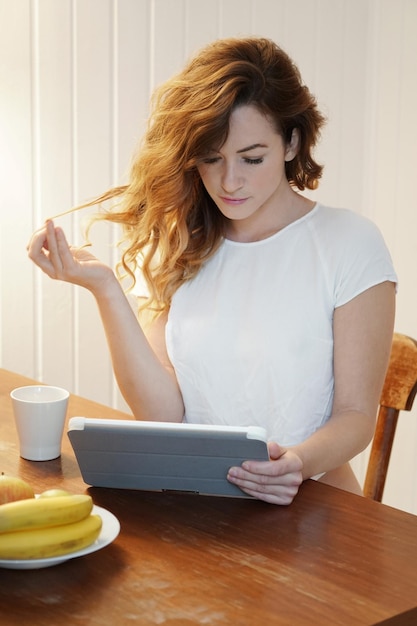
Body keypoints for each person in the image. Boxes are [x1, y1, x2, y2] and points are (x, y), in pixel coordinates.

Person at [27, 36, 397, 505]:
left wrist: (295, 463)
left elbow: (354, 415)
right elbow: (162, 414)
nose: (230, 181)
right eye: (211, 158)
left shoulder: (350, 243)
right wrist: (105, 289)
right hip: (198, 504)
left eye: (252, 158)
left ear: (292, 141)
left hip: (312, 505)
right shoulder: (179, 242)